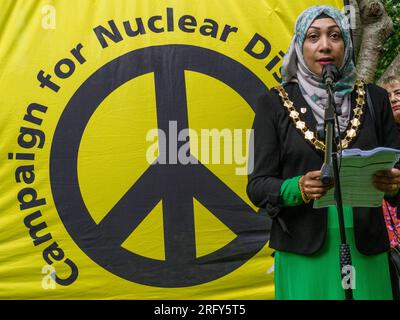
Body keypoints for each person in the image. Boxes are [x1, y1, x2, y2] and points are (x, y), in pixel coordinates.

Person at [247, 5, 400, 300]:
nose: (325, 45)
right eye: (313, 37)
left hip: (366, 249)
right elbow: (257, 186)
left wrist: (395, 183)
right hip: (304, 252)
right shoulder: (273, 104)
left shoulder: (375, 100)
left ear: (346, 43)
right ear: (299, 46)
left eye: (334, 36)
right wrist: (297, 188)